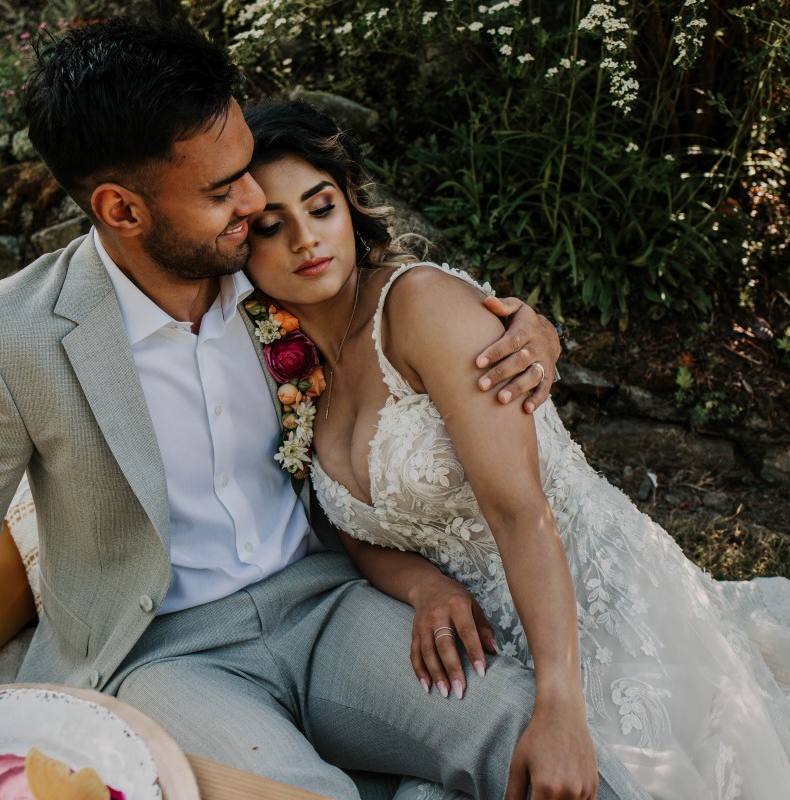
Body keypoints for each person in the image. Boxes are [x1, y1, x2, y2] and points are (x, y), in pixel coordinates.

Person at [0, 18, 649, 800]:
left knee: (521, 727)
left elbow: (404, 310)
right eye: (221, 191)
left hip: (324, 603)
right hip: (162, 656)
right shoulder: (9, 335)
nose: (254, 203)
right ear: (122, 210)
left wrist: (528, 328)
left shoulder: (279, 271)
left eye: (245, 169)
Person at [240, 98, 790, 800]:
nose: (305, 240)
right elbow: (352, 523)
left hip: (587, 618)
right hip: (481, 653)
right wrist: (424, 586)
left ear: (349, 209)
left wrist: (560, 704)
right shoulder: (280, 360)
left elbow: (520, 513)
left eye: (320, 208)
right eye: (269, 225)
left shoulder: (418, 310)